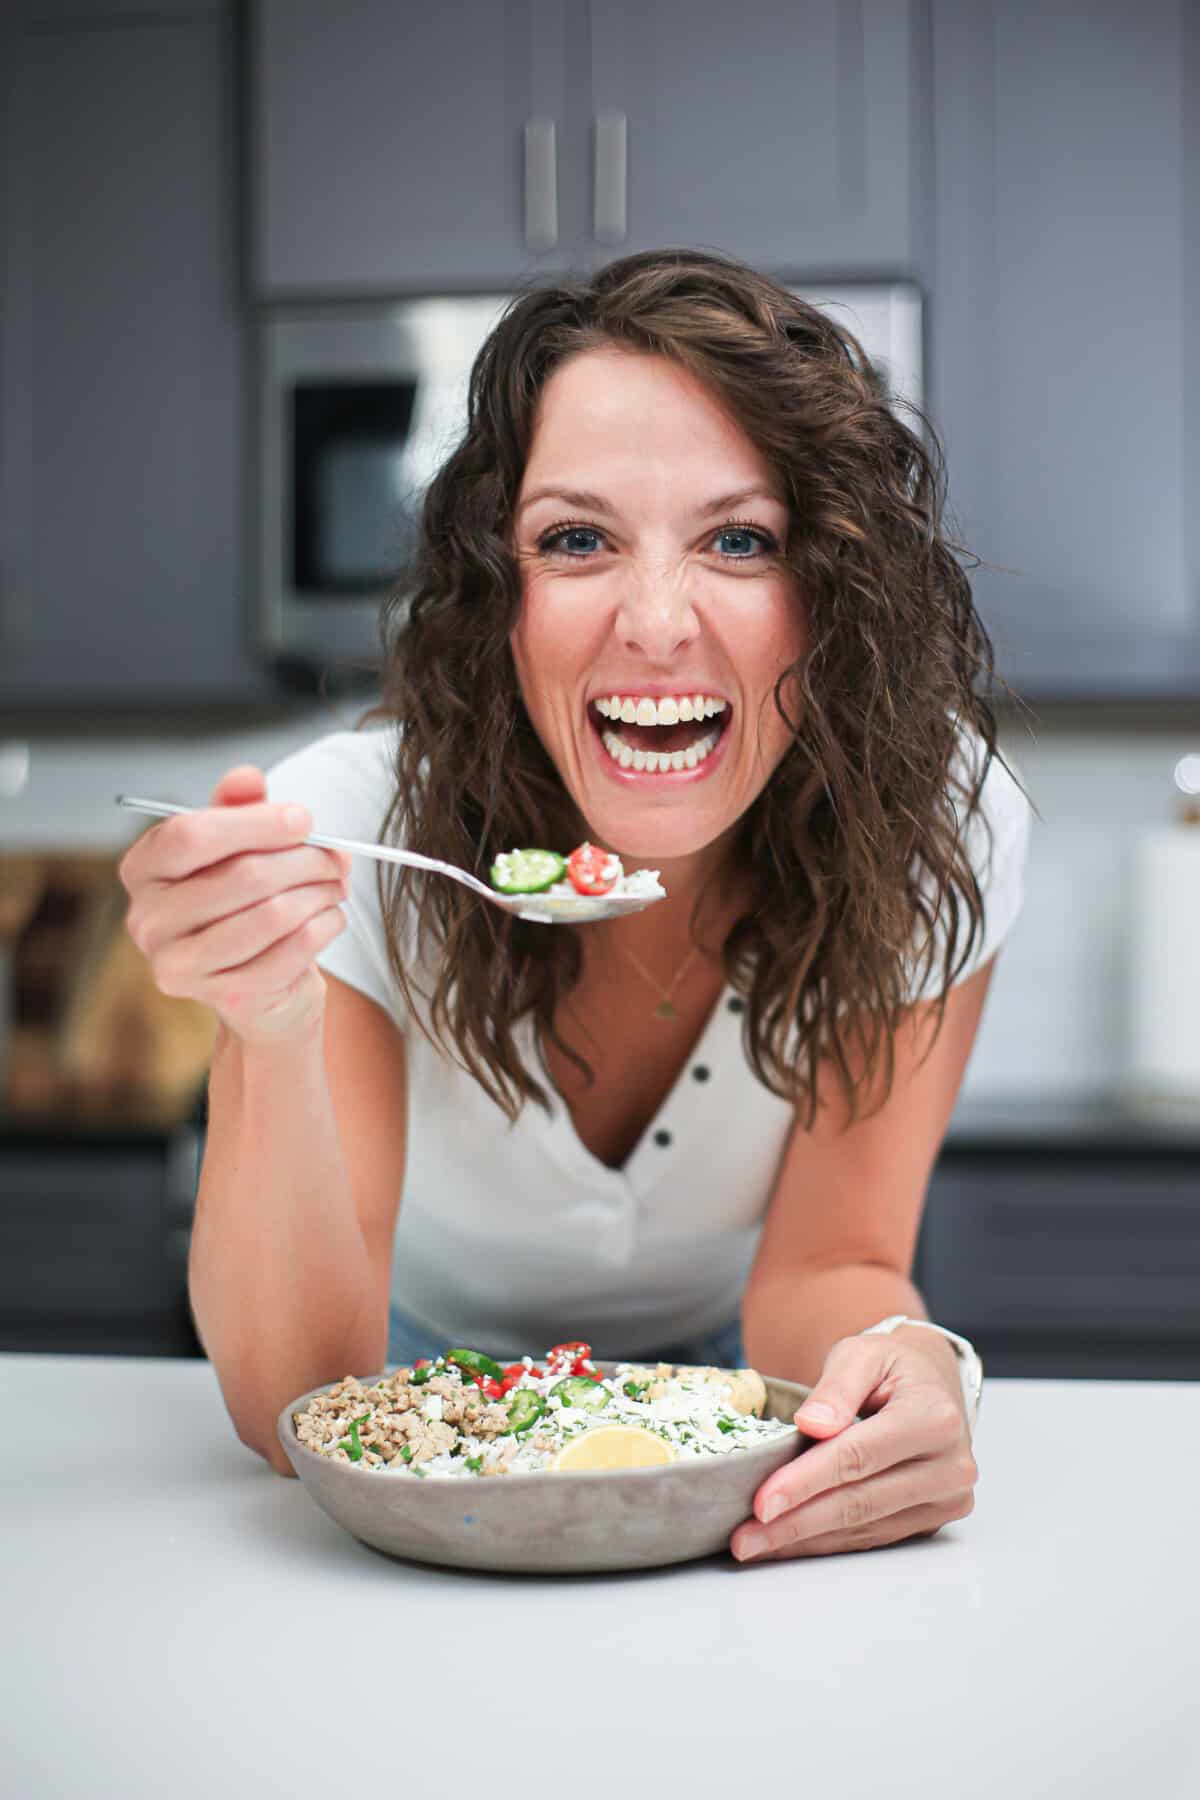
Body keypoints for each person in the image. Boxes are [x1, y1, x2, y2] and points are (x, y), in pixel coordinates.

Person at [120, 249, 1030, 1563]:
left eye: (740, 540)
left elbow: (826, 1269)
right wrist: (265, 1025)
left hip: (745, 1398)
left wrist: (906, 1361)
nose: (656, 624)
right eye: (577, 540)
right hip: (411, 1377)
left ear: (832, 600)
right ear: (500, 596)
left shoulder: (936, 821)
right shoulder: (354, 837)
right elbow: (297, 1404)